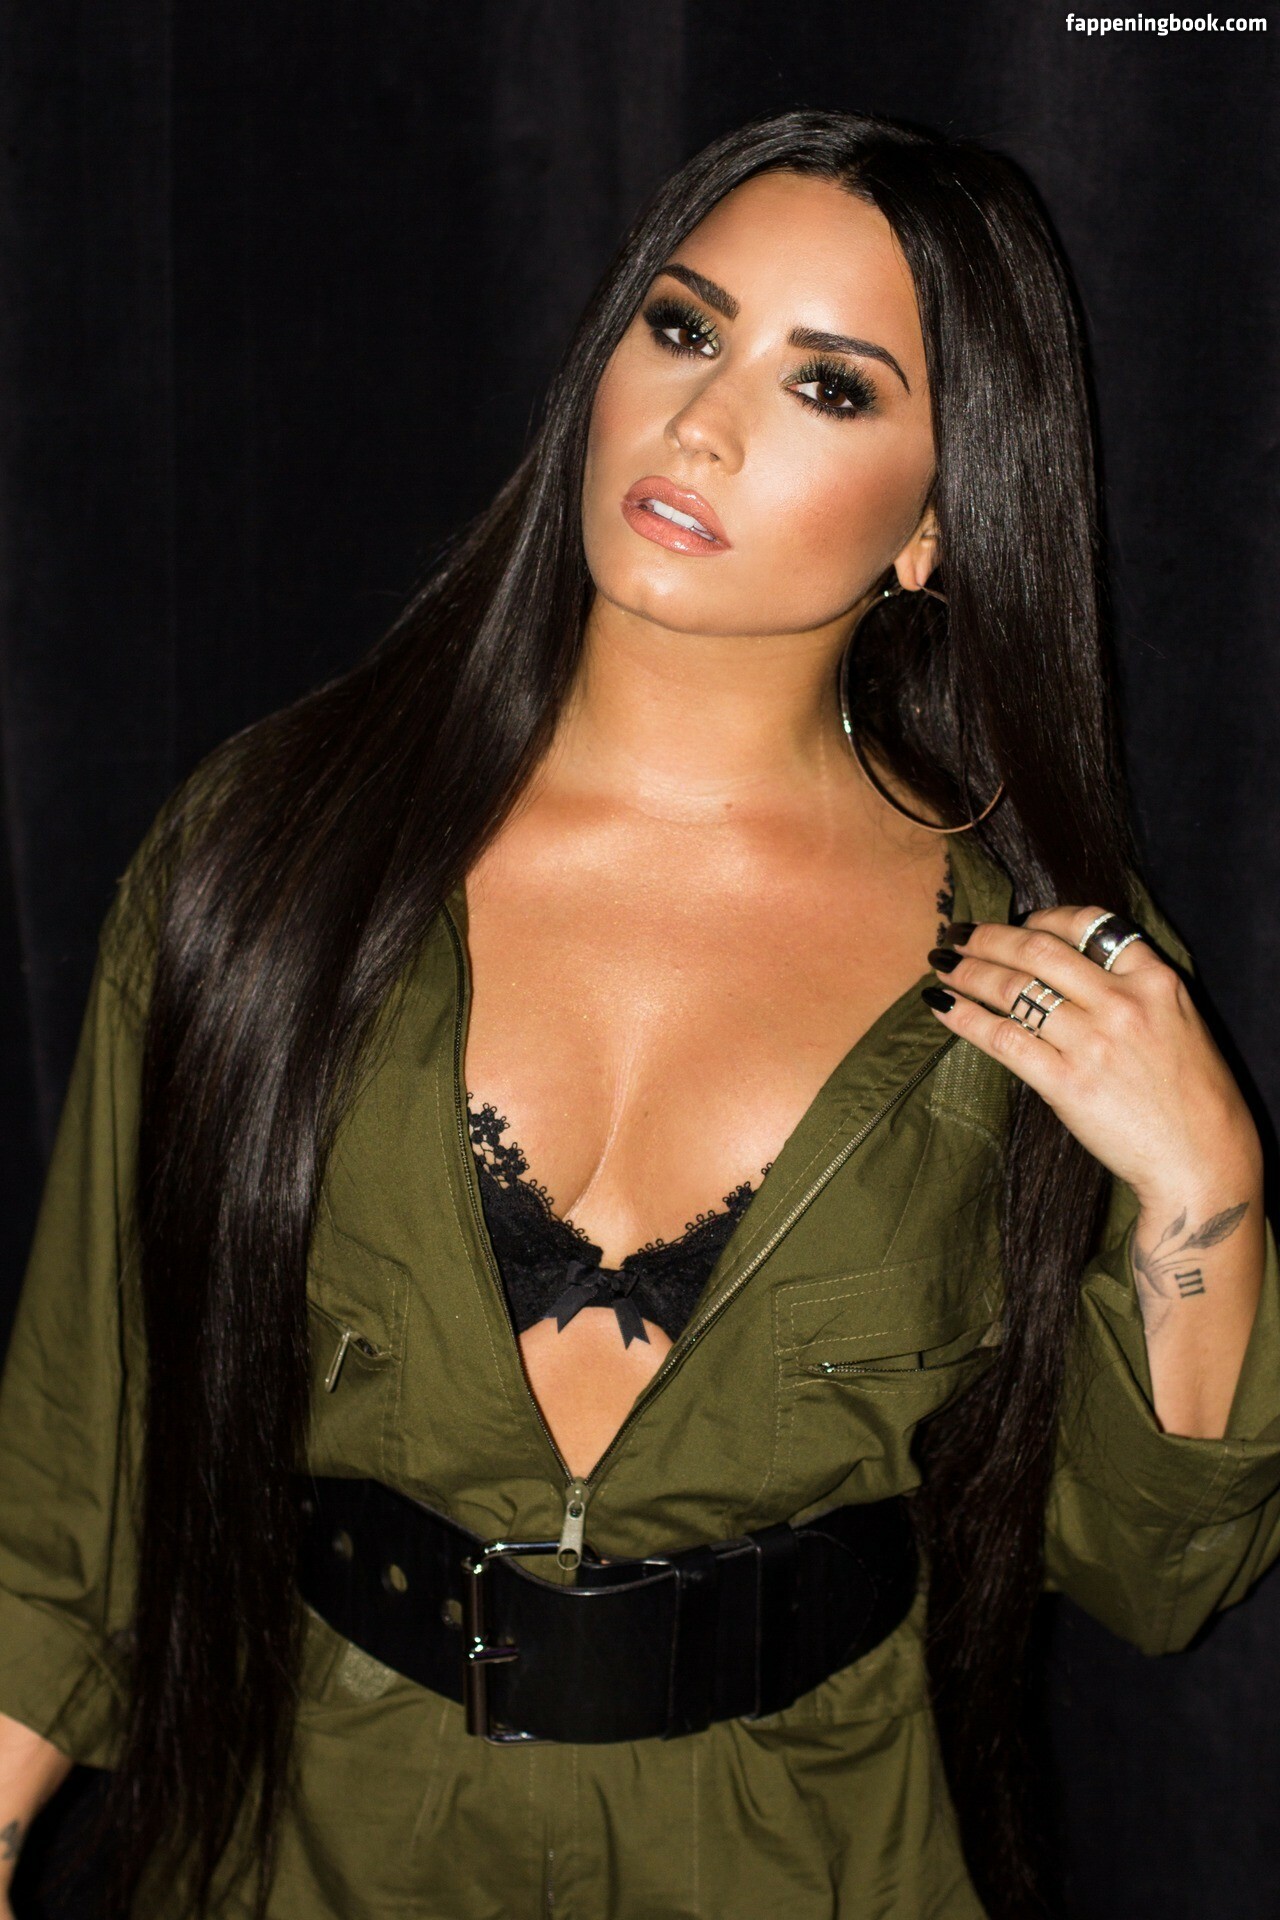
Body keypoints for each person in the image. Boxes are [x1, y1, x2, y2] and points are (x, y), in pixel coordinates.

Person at [0, 107, 1277, 1920]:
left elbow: (1156, 1577)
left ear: (936, 521)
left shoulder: (1053, 969)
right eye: (683, 327)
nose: (703, 421)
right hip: (311, 1845)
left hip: (814, 1858)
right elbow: (79, 1471)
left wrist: (1206, 1194)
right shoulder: (272, 855)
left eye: (828, 386)